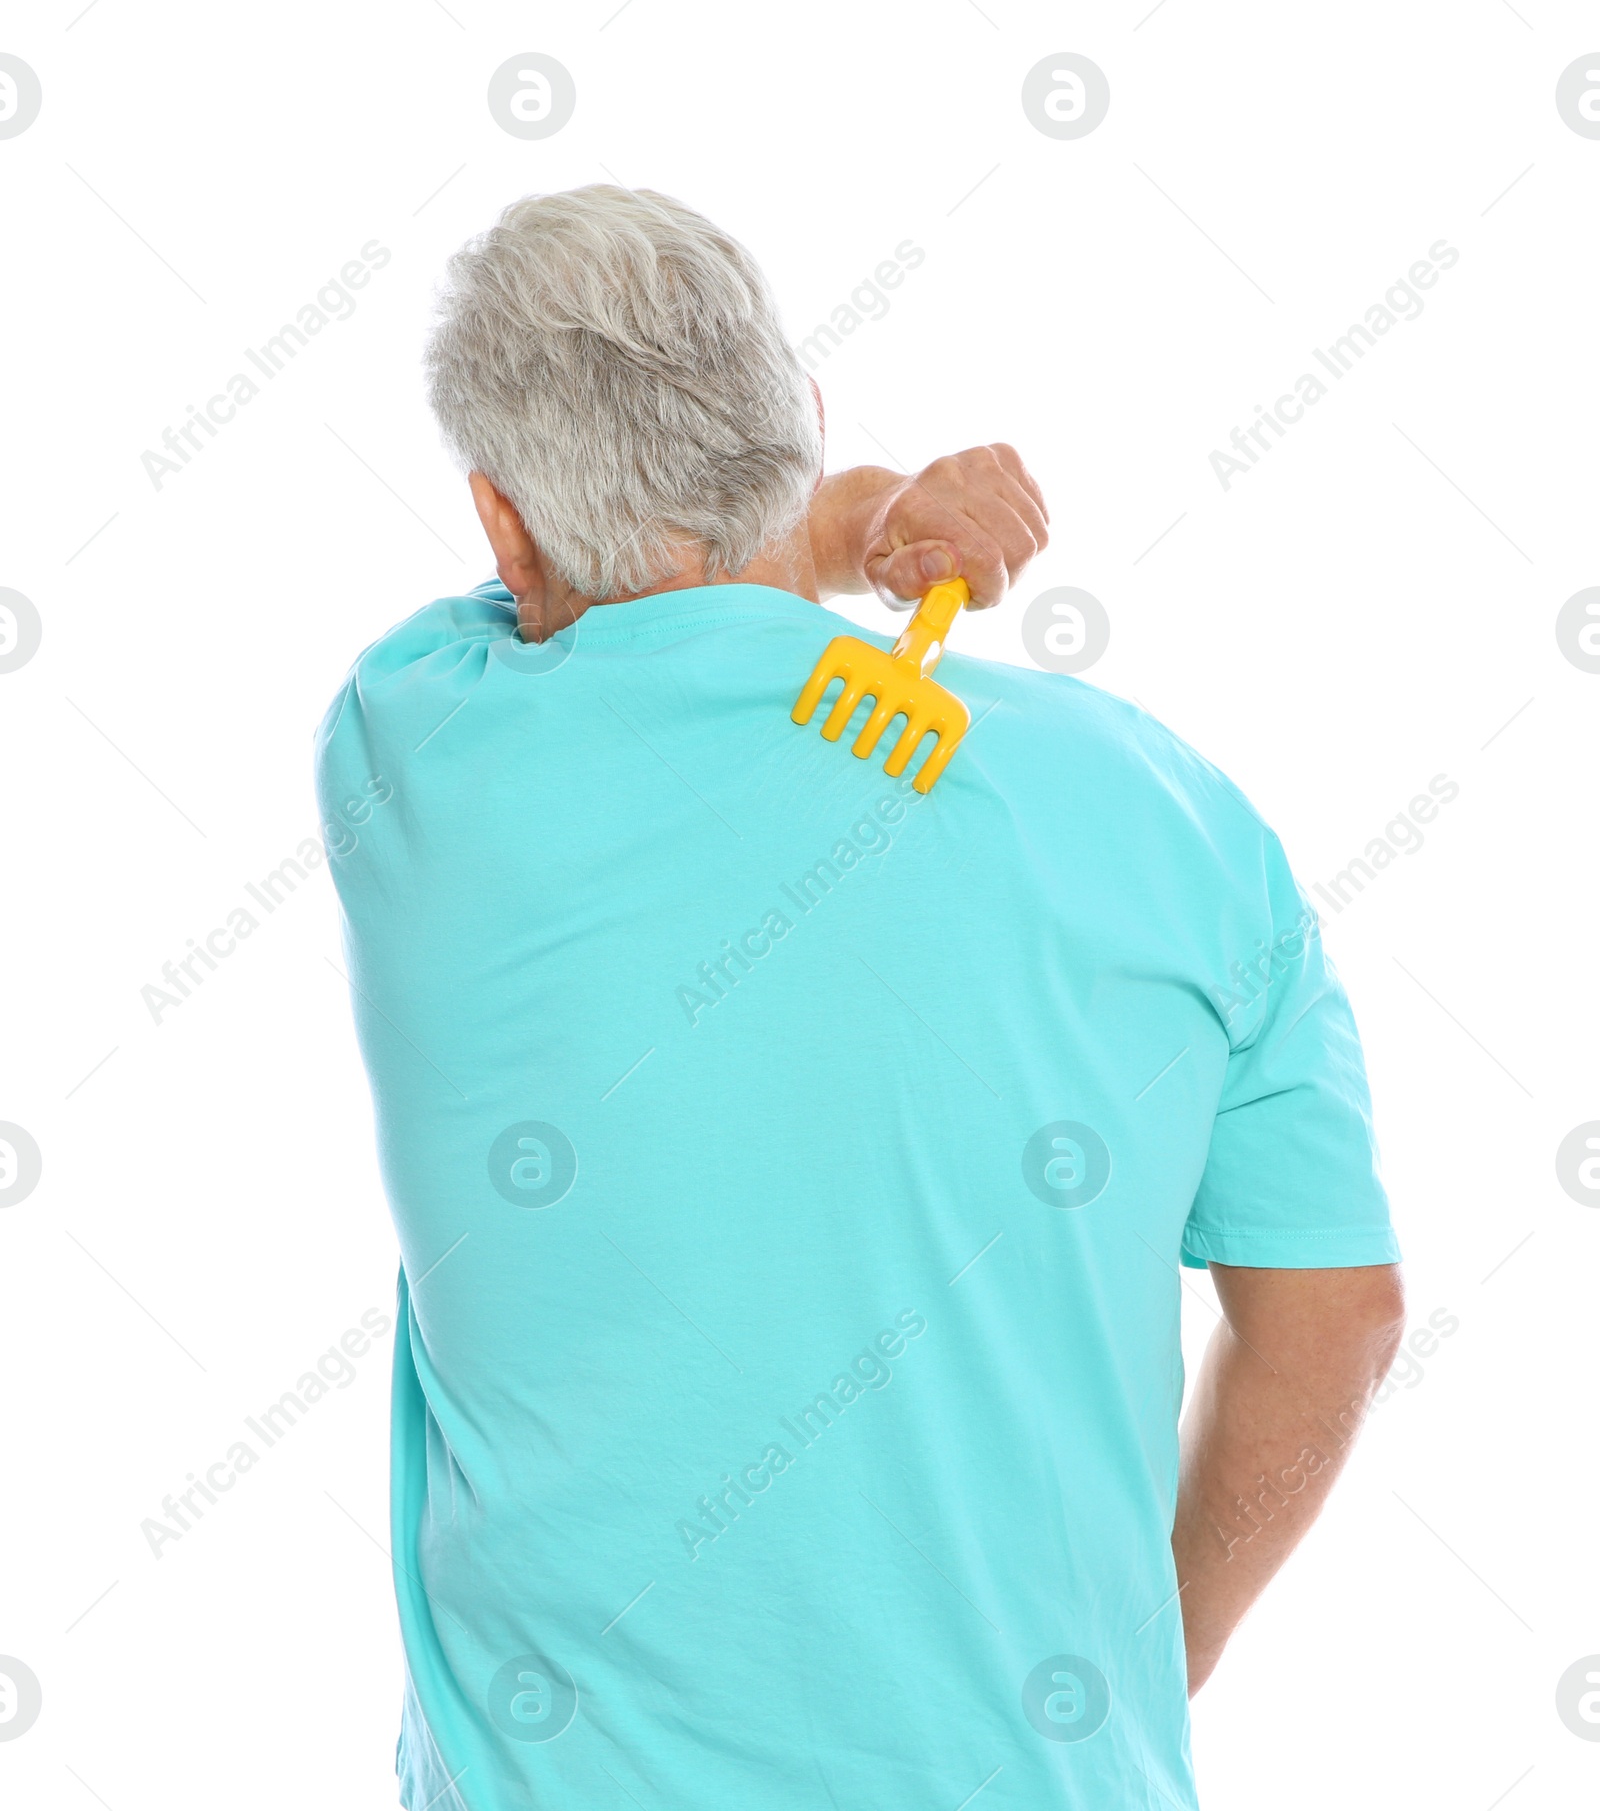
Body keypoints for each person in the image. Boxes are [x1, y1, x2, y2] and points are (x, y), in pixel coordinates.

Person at [316, 185, 1404, 1811]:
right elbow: (1336, 1315)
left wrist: (842, 533)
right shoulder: (1162, 813)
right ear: (806, 424)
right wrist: (1133, 1677)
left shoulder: (410, 750)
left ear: (498, 521)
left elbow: (623, 593)